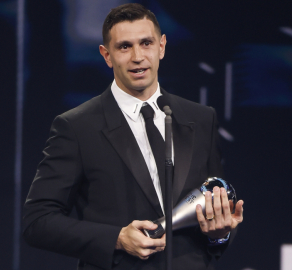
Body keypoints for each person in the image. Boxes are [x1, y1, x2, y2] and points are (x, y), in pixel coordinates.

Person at [22, 3, 244, 270]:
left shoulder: (200, 118)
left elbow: (213, 212)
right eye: (124, 47)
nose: (138, 56)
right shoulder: (77, 127)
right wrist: (116, 239)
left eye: (146, 43)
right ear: (107, 55)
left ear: (161, 46)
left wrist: (219, 235)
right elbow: (37, 221)